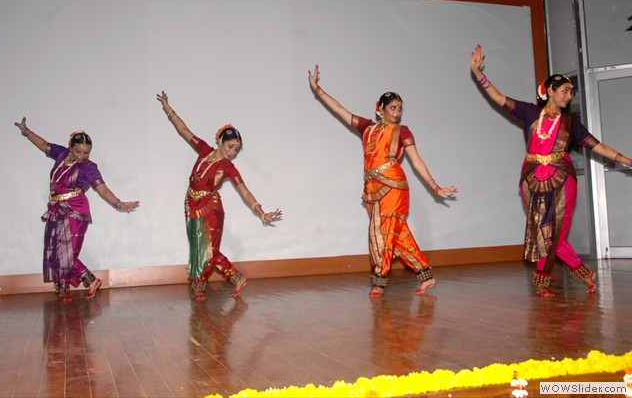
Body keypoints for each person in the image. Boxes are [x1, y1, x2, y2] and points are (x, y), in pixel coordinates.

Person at [470, 44, 632, 297]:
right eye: (565, 91)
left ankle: (549, 279)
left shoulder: (571, 123)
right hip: (532, 178)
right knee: (541, 230)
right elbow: (498, 98)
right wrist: (478, 73)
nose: (568, 96)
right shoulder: (530, 112)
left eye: (570, 92)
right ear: (550, 92)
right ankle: (574, 274)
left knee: (556, 232)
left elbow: (597, 146)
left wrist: (626, 160)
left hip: (562, 178)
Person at [307, 65, 457, 298]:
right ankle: (426, 275)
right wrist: (317, 89)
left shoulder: (403, 131)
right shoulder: (367, 128)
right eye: (393, 108)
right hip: (372, 188)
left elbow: (417, 161)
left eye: (399, 108)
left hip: (394, 187)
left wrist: (434, 187)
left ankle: (379, 281)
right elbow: (339, 109)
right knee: (397, 235)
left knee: (380, 232)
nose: (397, 112)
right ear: (381, 109)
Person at [156, 91, 282, 301]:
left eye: (236, 149)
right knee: (197, 246)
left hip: (210, 208)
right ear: (220, 141)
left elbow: (244, 191)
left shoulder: (228, 167)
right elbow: (184, 130)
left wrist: (261, 213)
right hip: (190, 203)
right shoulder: (204, 150)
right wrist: (168, 108)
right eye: (230, 146)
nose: (232, 152)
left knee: (209, 250)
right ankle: (218, 280)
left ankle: (214, 283)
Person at [15, 118, 140, 302]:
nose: (81, 156)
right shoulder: (61, 154)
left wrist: (119, 204)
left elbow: (102, 189)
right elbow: (43, 145)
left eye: (86, 152)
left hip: (75, 210)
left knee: (66, 251)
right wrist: (26, 132)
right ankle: (80, 283)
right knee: (55, 249)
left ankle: (79, 283)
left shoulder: (89, 167)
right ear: (70, 146)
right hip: (56, 208)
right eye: (78, 151)